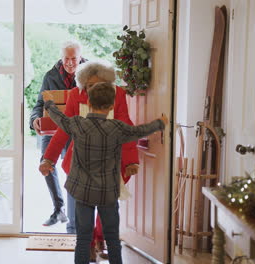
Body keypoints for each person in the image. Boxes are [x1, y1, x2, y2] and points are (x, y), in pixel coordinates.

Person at [41, 83, 167, 264]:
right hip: (108, 192)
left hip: (82, 192)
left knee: (83, 240)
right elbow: (140, 130)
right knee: (113, 239)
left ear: (89, 103)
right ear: (111, 106)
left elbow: (58, 117)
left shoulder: (77, 124)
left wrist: (49, 103)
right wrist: (160, 123)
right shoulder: (117, 128)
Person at [38, 61, 139, 258]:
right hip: (82, 165)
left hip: (110, 164)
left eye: (100, 85)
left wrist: (131, 161)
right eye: (90, 85)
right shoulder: (76, 94)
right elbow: (63, 130)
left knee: (108, 215)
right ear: (84, 85)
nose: (95, 89)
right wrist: (48, 159)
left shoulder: (118, 94)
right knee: (83, 221)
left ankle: (101, 239)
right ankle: (90, 244)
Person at [29, 40, 86, 226]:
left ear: (80, 57)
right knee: (46, 164)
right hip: (53, 129)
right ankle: (58, 209)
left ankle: (75, 221)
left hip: (77, 131)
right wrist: (35, 119)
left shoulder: (90, 74)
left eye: (74, 59)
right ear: (61, 58)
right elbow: (39, 104)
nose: (70, 63)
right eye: (66, 58)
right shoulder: (51, 76)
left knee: (73, 169)